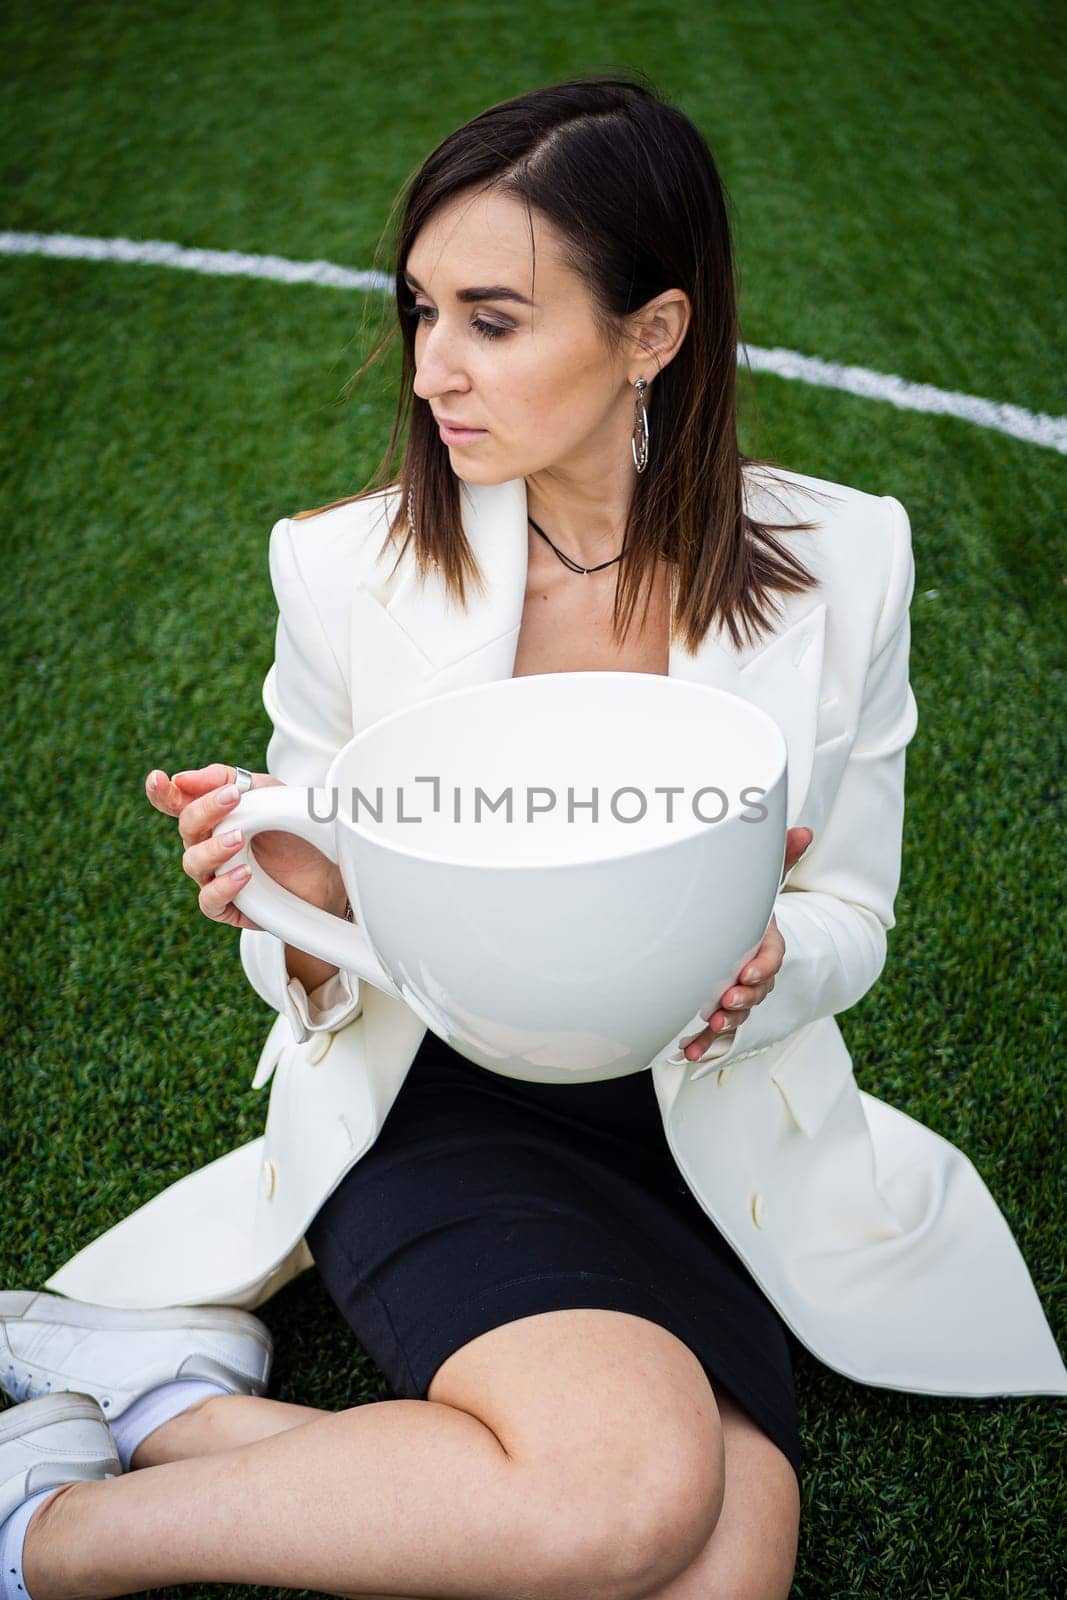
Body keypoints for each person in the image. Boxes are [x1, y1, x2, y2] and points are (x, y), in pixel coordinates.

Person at [2, 74, 1064, 1600]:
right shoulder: (344, 568)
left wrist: (778, 960)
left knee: (727, 1557)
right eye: (423, 310)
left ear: (655, 335)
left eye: (493, 320)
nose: (434, 367)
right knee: (623, 1496)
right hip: (441, 1099)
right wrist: (287, 905)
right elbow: (323, 944)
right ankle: (50, 1534)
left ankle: (174, 1406)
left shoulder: (851, 561)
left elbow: (853, 908)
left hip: (704, 1127)